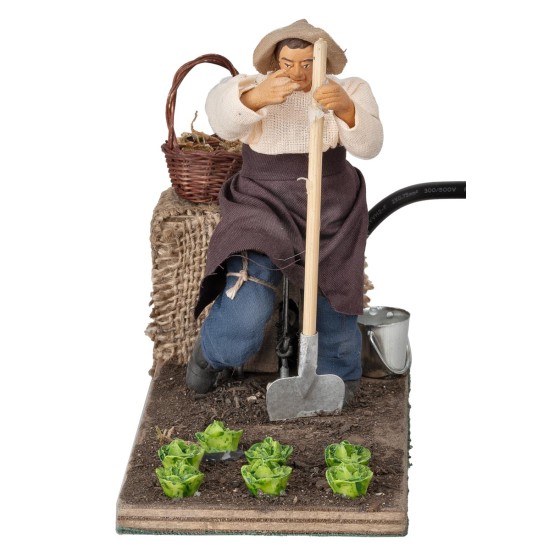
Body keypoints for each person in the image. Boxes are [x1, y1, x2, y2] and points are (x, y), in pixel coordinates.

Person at [186, 19, 383, 403]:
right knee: (248, 304)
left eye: (307, 64)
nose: (297, 73)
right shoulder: (251, 86)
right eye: (288, 63)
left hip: (331, 206)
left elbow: (370, 145)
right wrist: (254, 99)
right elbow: (222, 120)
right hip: (263, 203)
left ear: (323, 61)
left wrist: (346, 109)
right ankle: (216, 352)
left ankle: (336, 376)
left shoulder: (350, 89)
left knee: (335, 300)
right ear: (275, 61)